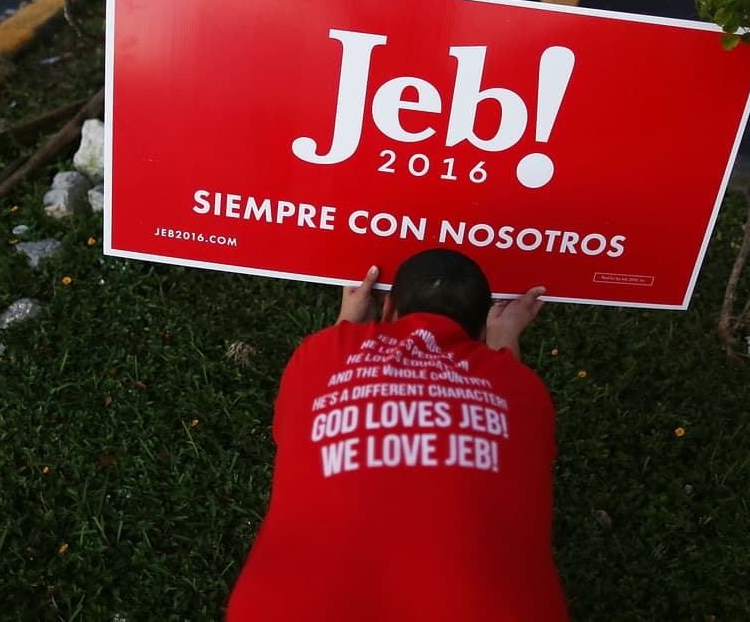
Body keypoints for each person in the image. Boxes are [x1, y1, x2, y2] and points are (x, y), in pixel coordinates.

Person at [227, 248, 569, 621]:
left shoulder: (319, 357)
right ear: (480, 331)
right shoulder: (522, 389)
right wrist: (505, 337)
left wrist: (348, 323)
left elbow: (297, 420)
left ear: (388, 310)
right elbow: (507, 397)